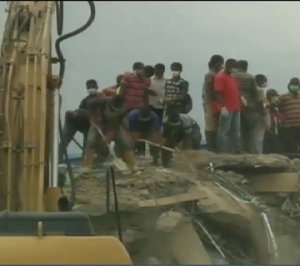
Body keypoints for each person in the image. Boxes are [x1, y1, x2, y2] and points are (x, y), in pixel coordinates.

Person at [84, 95, 140, 174]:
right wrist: (93, 116)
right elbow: (89, 103)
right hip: (99, 123)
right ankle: (87, 166)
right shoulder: (102, 101)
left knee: (125, 143)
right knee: (91, 140)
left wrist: (108, 137)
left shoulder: (122, 111)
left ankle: (132, 166)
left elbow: (115, 126)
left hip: (113, 124)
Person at [59, 79, 99, 163]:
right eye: (89, 87)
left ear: (97, 88)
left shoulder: (101, 99)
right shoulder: (84, 101)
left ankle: (85, 160)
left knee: (88, 142)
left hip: (90, 124)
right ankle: (58, 159)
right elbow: (80, 113)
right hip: (78, 121)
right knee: (65, 139)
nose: (91, 88)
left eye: (92, 87)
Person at [214, 58, 242, 153]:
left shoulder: (232, 77)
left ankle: (236, 150)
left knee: (236, 130)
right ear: (228, 66)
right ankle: (222, 150)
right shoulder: (220, 77)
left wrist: (241, 98)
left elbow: (235, 90)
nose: (235, 70)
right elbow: (218, 92)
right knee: (224, 130)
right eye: (234, 67)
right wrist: (222, 106)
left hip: (236, 107)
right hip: (227, 107)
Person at [233, 60, 259, 153]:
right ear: (246, 67)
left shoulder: (233, 76)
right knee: (249, 129)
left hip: (235, 105)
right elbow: (255, 93)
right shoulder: (251, 77)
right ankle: (248, 149)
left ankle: (237, 149)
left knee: (236, 128)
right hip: (249, 106)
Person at [202, 55, 224, 152]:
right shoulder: (210, 75)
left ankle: (214, 147)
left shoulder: (218, 75)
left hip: (215, 102)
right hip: (210, 102)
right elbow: (209, 90)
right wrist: (214, 102)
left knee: (215, 126)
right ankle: (211, 147)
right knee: (210, 126)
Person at [279, 78, 300, 153]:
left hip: (299, 125)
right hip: (289, 126)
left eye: (296, 85)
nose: (295, 87)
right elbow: (276, 108)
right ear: (289, 86)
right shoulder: (283, 97)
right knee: (291, 147)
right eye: (293, 85)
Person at [263, 89, 284, 154]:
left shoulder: (276, 108)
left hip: (276, 134)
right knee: (267, 153)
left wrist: (276, 110)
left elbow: (282, 118)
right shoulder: (265, 107)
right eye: (274, 96)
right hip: (268, 133)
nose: (276, 98)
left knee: (278, 152)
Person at [254, 74, 268, 154]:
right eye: (264, 80)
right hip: (259, 116)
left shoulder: (253, 90)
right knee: (259, 138)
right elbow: (260, 104)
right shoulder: (259, 90)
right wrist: (265, 115)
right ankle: (259, 153)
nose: (265, 83)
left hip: (254, 115)